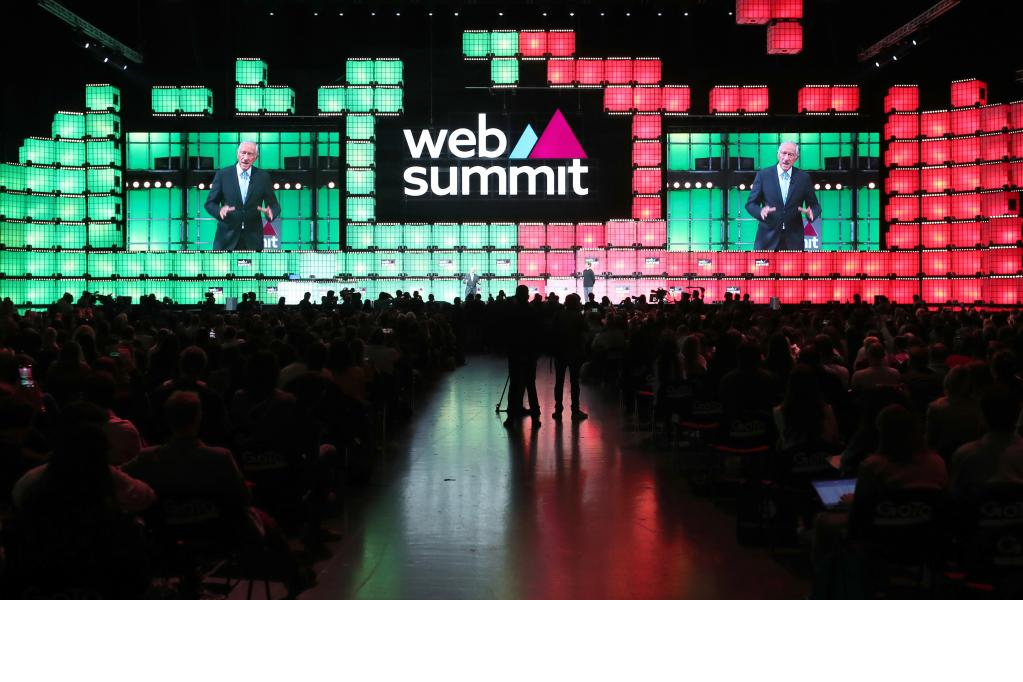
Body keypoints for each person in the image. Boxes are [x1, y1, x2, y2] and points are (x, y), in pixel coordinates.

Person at [204, 141, 280, 251]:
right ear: (237, 154)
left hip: (253, 239)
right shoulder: (223, 175)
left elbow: (274, 205)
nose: (245, 157)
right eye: (243, 153)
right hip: (226, 238)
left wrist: (271, 212)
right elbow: (210, 203)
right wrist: (219, 211)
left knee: (251, 268)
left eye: (250, 154)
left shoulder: (263, 177)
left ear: (256, 157)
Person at [745, 141, 821, 251]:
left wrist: (811, 213)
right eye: (783, 153)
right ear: (778, 154)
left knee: (793, 268)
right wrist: (760, 211)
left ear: (796, 158)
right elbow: (750, 204)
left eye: (790, 155)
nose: (786, 158)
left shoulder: (803, 178)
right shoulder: (763, 175)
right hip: (767, 239)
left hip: (794, 240)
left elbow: (815, 206)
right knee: (764, 268)